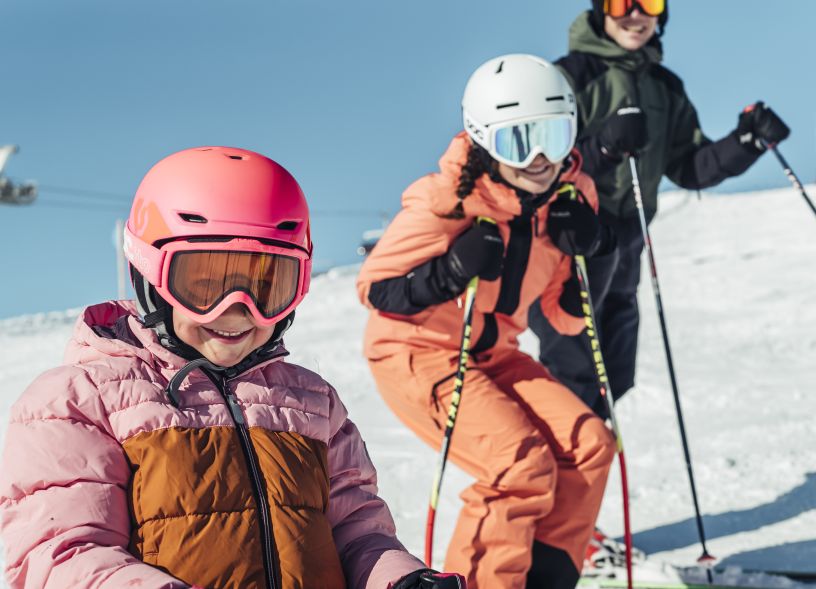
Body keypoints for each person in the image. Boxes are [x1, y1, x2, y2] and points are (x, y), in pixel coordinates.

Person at [0, 147, 466, 589]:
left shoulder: (312, 403)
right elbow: (59, 553)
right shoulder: (80, 400)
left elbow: (359, 535)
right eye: (204, 284)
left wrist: (400, 578)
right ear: (150, 275)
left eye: (268, 286)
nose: (238, 311)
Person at [357, 54, 617, 589]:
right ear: (482, 141)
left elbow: (566, 320)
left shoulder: (568, 198)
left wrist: (593, 249)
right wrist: (451, 269)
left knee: (590, 443)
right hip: (417, 351)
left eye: (554, 135)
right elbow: (376, 289)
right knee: (519, 466)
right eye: (519, 142)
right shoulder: (447, 200)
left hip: (495, 354)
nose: (540, 158)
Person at [529, 0, 791, 419]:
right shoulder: (568, 77)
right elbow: (536, 164)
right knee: (572, 383)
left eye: (648, 2)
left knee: (614, 379)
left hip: (627, 242)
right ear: (601, 11)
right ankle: (548, 477)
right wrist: (603, 147)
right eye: (620, 3)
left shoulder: (664, 86)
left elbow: (690, 165)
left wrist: (745, 143)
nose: (635, 14)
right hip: (571, 241)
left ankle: (585, 478)